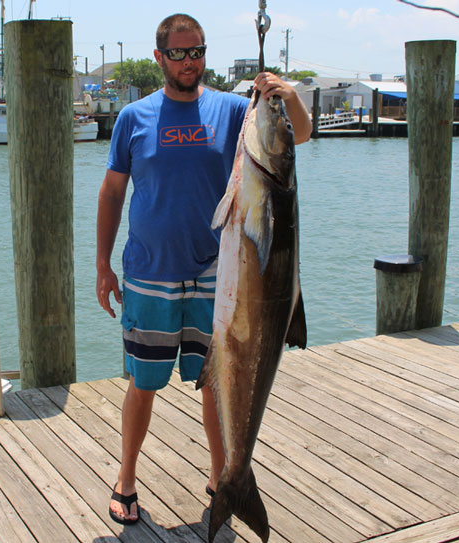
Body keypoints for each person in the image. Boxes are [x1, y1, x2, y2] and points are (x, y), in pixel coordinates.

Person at [95, 13, 311, 525]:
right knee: (142, 382)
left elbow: (297, 134)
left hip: (220, 277)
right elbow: (111, 192)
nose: (189, 62)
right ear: (159, 58)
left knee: (218, 381)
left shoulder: (238, 110)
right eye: (178, 53)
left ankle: (224, 477)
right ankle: (126, 480)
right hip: (149, 273)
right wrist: (103, 265)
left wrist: (289, 94)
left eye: (197, 52)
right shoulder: (133, 118)